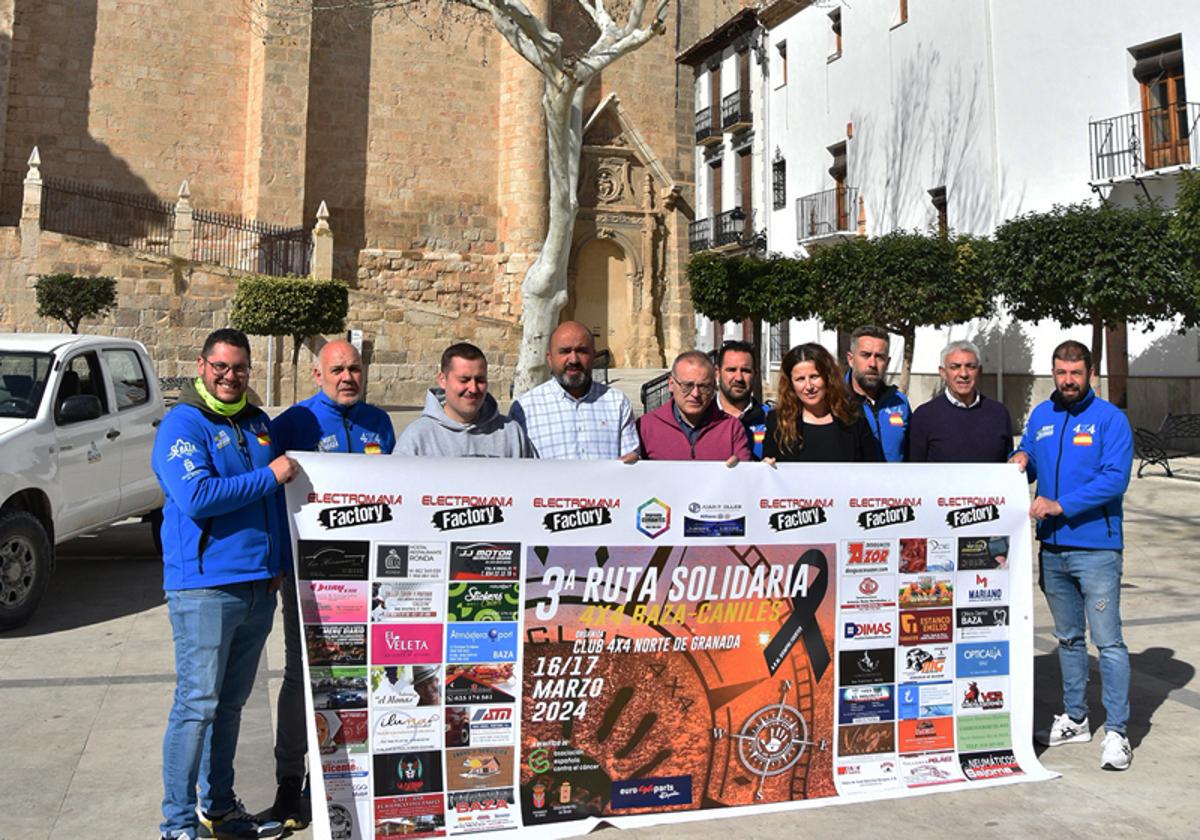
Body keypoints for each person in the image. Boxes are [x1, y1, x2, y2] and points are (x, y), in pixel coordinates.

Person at [152, 328, 297, 840]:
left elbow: (277, 504)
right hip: (205, 588)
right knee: (196, 706)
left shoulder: (258, 423)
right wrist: (270, 475)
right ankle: (176, 823)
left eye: (239, 368)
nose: (230, 376)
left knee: (231, 707)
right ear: (202, 365)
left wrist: (277, 559)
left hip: (259, 586)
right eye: (221, 367)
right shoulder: (181, 424)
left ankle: (219, 807)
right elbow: (198, 496)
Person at [267, 339, 395, 828]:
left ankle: (343, 779)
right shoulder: (293, 424)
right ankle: (287, 782)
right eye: (337, 369)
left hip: (370, 578)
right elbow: (268, 493)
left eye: (355, 368)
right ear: (317, 375)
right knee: (302, 674)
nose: (348, 377)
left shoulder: (379, 424)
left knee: (360, 677)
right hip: (309, 577)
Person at [1010, 340, 1134, 771]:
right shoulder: (1043, 416)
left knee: (1109, 642)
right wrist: (1022, 456)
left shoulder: (1110, 420)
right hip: (1053, 550)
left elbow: (1115, 480)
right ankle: (1076, 718)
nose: (1067, 381)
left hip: (1096, 550)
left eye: (1075, 373)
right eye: (1061, 373)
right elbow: (1030, 454)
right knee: (1067, 639)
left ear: (1090, 374)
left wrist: (1062, 505)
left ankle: (1118, 731)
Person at [510, 321, 639, 461]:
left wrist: (632, 462)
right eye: (565, 351)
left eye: (582, 351)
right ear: (550, 359)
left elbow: (630, 460)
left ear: (594, 356)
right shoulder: (525, 409)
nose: (573, 359)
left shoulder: (617, 403)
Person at [395, 342, 536, 457]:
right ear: (443, 380)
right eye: (464, 380)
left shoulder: (511, 434)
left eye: (480, 380)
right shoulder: (417, 438)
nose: (473, 388)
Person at [762, 343, 879, 462]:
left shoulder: (853, 418)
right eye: (800, 379)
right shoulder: (779, 422)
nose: (809, 386)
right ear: (790, 384)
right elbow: (768, 472)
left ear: (828, 377)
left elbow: (872, 470)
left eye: (814, 377)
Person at [908, 339, 1013, 463]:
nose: (963, 374)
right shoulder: (924, 416)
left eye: (970, 367)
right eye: (955, 367)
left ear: (979, 371)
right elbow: (915, 471)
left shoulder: (999, 414)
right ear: (943, 372)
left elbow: (1008, 466)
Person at [636, 350, 751, 463]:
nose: (695, 394)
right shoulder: (646, 427)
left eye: (704, 387)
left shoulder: (731, 428)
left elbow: (747, 477)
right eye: (687, 385)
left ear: (713, 388)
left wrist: (740, 467)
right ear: (671, 384)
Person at [844, 325, 910, 462]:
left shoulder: (899, 402)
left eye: (879, 357)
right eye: (865, 355)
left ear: (887, 362)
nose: (872, 363)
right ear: (850, 359)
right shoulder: (836, 402)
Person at [715, 339, 770, 460]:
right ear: (717, 373)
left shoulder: (771, 419)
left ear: (755, 375)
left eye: (745, 371)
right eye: (731, 370)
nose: (739, 378)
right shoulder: (703, 418)